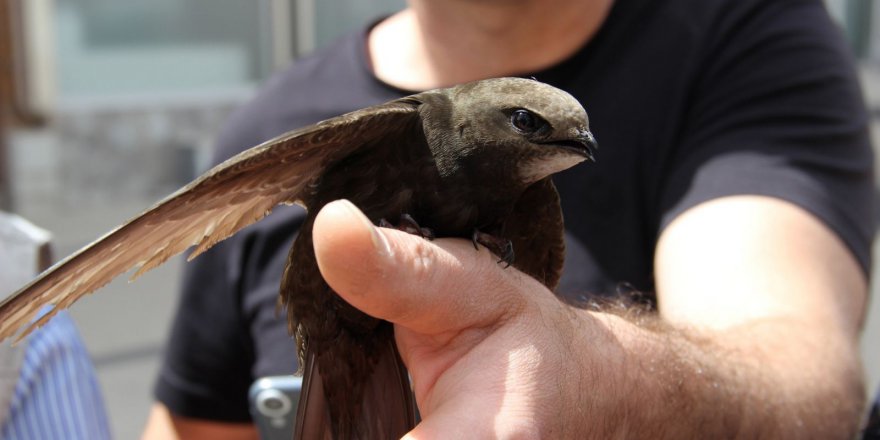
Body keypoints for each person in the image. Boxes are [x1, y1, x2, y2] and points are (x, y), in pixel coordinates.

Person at [143, 0, 876, 438]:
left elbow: (792, 370)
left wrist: (597, 380)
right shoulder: (275, 122)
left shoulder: (742, 40)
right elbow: (190, 422)